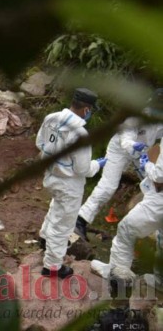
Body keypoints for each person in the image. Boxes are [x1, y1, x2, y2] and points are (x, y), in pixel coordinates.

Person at [36, 88, 107, 278]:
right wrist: (97, 165)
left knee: (55, 207)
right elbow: (83, 169)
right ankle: (52, 266)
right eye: (91, 110)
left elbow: (39, 143)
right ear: (86, 109)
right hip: (69, 184)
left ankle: (44, 238)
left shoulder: (51, 118)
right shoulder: (81, 134)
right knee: (63, 226)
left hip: (51, 176)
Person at [75, 89, 163, 240]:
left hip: (141, 153)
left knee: (153, 186)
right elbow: (126, 137)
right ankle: (80, 220)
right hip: (120, 149)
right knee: (108, 186)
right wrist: (132, 146)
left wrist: (146, 160)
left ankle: (152, 228)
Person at [107, 140, 163, 290]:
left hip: (159, 201)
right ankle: (160, 281)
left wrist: (147, 165)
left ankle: (119, 281)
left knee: (126, 229)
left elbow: (159, 176)